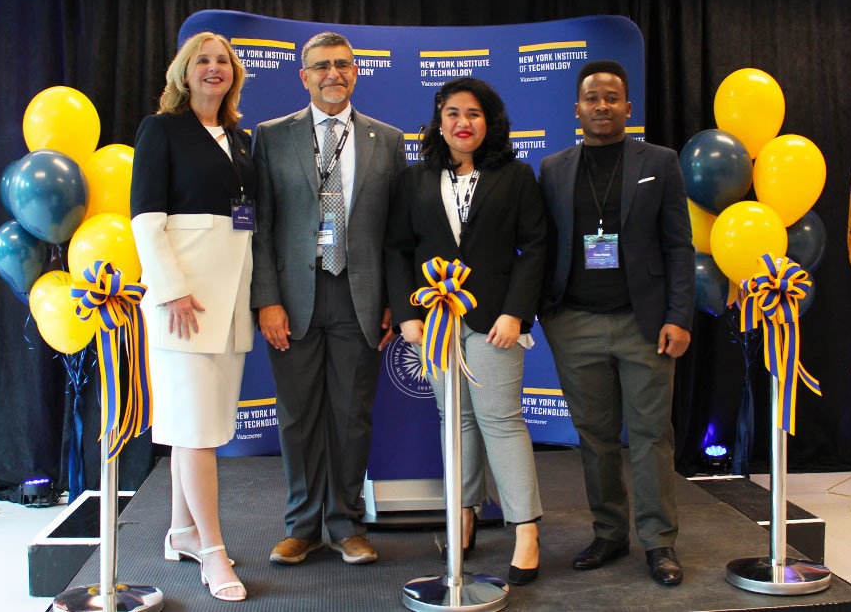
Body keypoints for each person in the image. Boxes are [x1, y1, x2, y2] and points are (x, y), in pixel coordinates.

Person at [251, 31, 406, 566]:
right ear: (304, 76)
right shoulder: (270, 137)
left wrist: (396, 301)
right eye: (321, 67)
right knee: (296, 417)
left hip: (360, 298)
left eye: (342, 65)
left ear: (356, 71)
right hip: (292, 299)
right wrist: (266, 300)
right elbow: (261, 225)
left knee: (351, 415)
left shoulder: (388, 139)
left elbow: (395, 233)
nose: (332, 74)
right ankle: (302, 527)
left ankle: (346, 525)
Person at [537, 60, 694, 586]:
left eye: (611, 98)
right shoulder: (554, 168)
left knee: (651, 435)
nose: (601, 106)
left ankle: (659, 542)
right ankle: (609, 533)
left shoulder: (661, 162)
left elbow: (678, 246)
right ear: (576, 108)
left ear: (628, 107)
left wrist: (679, 316)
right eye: (591, 98)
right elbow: (541, 247)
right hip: (574, 323)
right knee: (595, 438)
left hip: (644, 324)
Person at [385, 78, 546, 585]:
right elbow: (397, 249)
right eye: (452, 113)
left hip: (495, 321)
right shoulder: (414, 179)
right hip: (434, 322)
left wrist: (516, 312)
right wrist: (406, 312)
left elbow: (537, 246)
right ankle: (464, 513)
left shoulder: (516, 176)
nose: (462, 122)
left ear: (489, 121)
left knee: (501, 420)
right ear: (439, 122)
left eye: (473, 114)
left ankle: (525, 529)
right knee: (455, 420)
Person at [131, 31, 256, 601]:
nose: (214, 68)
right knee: (197, 431)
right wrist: (171, 290)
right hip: (185, 303)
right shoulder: (161, 130)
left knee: (193, 427)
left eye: (223, 61)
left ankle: (181, 530)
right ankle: (212, 551)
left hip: (231, 299)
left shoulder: (240, 137)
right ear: (184, 72)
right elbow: (145, 220)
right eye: (203, 60)